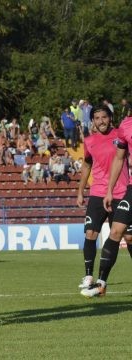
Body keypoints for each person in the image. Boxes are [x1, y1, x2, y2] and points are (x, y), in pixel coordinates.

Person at [76, 106, 131, 291]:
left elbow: (123, 157)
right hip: (98, 193)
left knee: (129, 237)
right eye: (97, 118)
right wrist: (80, 190)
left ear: (110, 118)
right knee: (90, 233)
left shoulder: (121, 133)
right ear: (93, 121)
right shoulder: (89, 141)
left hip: (122, 192)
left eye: (104, 117)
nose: (101, 121)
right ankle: (89, 276)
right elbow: (86, 164)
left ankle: (100, 282)